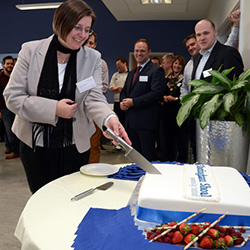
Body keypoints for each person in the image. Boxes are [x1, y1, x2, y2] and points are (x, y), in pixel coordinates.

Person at [3, 0, 130, 193]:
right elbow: (12, 97)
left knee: (72, 198)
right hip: (35, 145)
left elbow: (94, 97)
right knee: (43, 198)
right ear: (60, 23)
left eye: (87, 29)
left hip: (75, 143)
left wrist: (109, 118)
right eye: (77, 27)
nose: (83, 35)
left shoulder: (92, 58)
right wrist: (54, 109)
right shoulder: (30, 51)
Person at [120, 39, 165, 161]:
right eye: (136, 51)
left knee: (147, 158)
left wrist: (133, 102)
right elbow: (125, 91)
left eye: (142, 51)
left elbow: (157, 94)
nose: (139, 53)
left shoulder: (156, 70)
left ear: (149, 52)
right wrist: (122, 102)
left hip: (146, 124)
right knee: (135, 158)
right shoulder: (132, 72)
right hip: (131, 123)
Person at [180, 9, 241, 99]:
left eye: (206, 33)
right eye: (198, 35)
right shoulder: (197, 58)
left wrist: (236, 25)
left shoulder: (228, 53)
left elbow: (237, 89)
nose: (202, 38)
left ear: (215, 33)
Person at [85, 31, 109, 163]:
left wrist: (80, 87)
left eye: (90, 43)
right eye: (85, 42)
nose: (87, 46)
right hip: (74, 110)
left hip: (93, 110)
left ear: (95, 45)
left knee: (94, 145)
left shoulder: (101, 63)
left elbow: (103, 87)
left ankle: (92, 172)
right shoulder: (73, 61)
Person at [161, 56, 187, 162]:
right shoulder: (167, 78)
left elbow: (185, 95)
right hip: (167, 112)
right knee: (168, 138)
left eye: (179, 64)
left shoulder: (184, 79)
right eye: (175, 63)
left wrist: (175, 98)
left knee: (180, 138)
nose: (177, 66)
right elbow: (162, 91)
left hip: (178, 111)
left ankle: (181, 161)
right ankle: (169, 160)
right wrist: (164, 97)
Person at [0, 56, 20, 159]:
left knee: (15, 129)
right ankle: (10, 147)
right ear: (3, 65)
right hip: (4, 108)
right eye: (7, 64)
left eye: (11, 64)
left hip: (16, 107)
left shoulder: (16, 76)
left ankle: (16, 151)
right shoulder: (0, 77)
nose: (10, 65)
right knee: (7, 129)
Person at [109, 57, 128, 153]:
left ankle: (127, 144)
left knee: (126, 124)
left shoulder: (129, 75)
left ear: (125, 64)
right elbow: (111, 88)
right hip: (116, 103)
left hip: (126, 103)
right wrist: (120, 88)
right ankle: (117, 145)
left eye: (120, 65)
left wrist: (119, 88)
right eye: (117, 65)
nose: (118, 67)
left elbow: (127, 88)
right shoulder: (115, 75)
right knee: (117, 125)